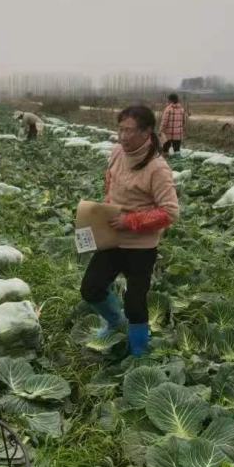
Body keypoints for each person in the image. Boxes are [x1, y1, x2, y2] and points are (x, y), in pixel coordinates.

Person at [80, 104, 179, 356]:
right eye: (120, 129)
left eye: (129, 131)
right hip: (112, 238)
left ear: (147, 132)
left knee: (135, 302)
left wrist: (130, 221)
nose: (123, 136)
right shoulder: (116, 153)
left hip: (140, 246)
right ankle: (115, 322)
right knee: (91, 288)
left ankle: (138, 351)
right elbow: (111, 182)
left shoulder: (157, 169)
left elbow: (170, 212)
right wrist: (105, 210)